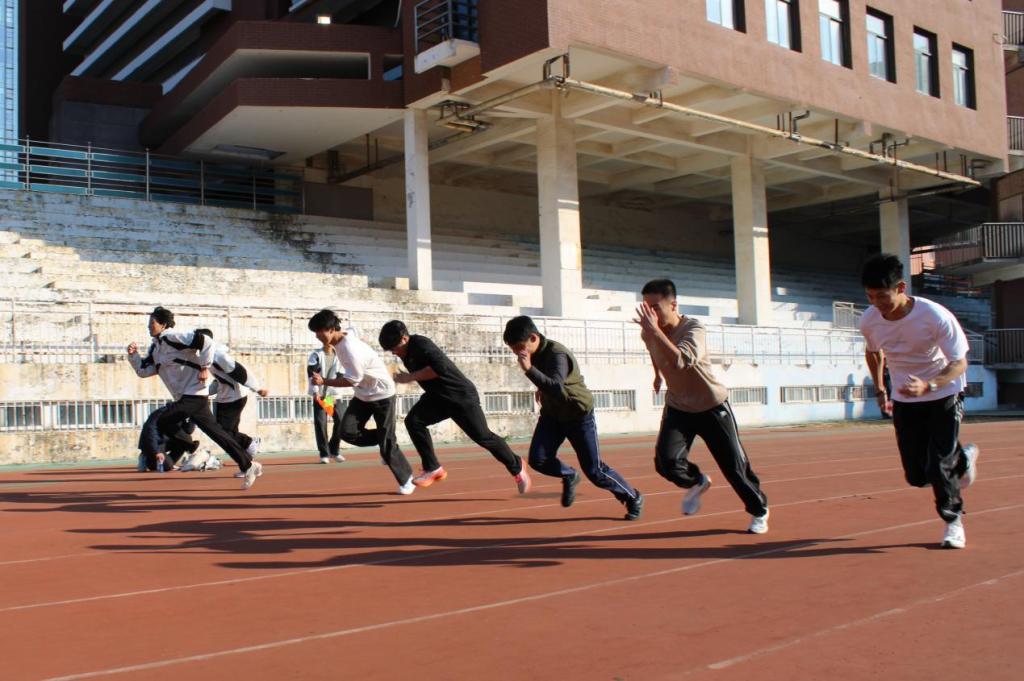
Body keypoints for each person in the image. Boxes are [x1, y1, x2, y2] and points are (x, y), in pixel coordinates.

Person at [860, 254, 979, 549]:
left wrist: (930, 384)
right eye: (870, 296)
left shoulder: (934, 316)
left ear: (901, 288)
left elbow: (960, 363)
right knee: (916, 475)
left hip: (944, 393)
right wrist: (880, 389)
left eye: (882, 296)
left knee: (939, 466)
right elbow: (873, 352)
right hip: (905, 398)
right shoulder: (870, 320)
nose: (876, 303)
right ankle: (963, 459)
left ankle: (953, 522)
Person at [634, 279, 770, 533]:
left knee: (734, 468)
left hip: (711, 406)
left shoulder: (694, 328)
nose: (650, 315)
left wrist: (654, 332)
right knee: (666, 462)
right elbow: (653, 350)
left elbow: (681, 361)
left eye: (655, 308)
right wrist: (657, 374)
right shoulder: (648, 332)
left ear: (673, 305)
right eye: (646, 308)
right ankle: (697, 481)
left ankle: (759, 510)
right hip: (678, 406)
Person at [502, 315, 643, 520]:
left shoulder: (557, 354)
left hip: (578, 415)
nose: (517, 353)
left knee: (594, 471)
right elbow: (550, 383)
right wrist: (540, 386)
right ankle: (569, 475)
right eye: (513, 349)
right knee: (539, 460)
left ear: (533, 338)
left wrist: (530, 370)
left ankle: (632, 497)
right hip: (553, 415)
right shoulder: (533, 353)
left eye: (519, 347)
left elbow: (557, 387)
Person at [379, 320, 531, 493]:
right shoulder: (405, 353)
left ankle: (517, 466)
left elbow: (439, 368)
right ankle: (433, 468)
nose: (394, 352)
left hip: (460, 397)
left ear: (405, 339)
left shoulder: (421, 344)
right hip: (438, 398)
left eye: (394, 348)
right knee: (414, 421)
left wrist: (410, 377)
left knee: (484, 437)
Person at [127, 306, 262, 489]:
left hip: (194, 394)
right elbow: (144, 371)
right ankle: (248, 465)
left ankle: (194, 450)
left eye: (152, 323)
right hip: (188, 397)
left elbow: (205, 340)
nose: (148, 326)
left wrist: (205, 367)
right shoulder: (156, 349)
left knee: (163, 421)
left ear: (163, 325)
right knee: (218, 434)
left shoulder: (171, 337)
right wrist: (134, 356)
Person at [307, 310, 415, 494]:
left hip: (382, 395)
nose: (317, 336)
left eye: (320, 332)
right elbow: (352, 330)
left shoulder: (350, 350)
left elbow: (352, 380)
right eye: (315, 332)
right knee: (347, 432)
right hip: (363, 395)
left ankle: (407, 480)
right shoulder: (342, 338)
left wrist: (324, 381)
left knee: (387, 444)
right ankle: (385, 440)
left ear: (332, 329)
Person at [195, 329, 269, 478]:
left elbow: (241, 372)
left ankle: (249, 444)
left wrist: (257, 388)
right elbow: (220, 380)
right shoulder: (206, 357)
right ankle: (248, 464)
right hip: (225, 397)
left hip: (234, 397)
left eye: (196, 341)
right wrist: (203, 392)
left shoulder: (218, 356)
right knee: (228, 433)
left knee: (224, 433)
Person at [307, 338, 346, 464]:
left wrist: (335, 395)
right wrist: (315, 392)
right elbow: (312, 376)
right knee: (321, 424)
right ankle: (324, 454)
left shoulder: (339, 357)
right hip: (320, 396)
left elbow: (340, 377)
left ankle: (334, 450)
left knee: (341, 420)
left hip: (331, 397)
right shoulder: (315, 355)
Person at [137, 404, 198, 472]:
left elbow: (188, 431)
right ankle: (145, 457)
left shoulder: (180, 414)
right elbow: (151, 433)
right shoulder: (160, 414)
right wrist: (156, 452)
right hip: (154, 443)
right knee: (166, 466)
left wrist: (193, 417)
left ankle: (162, 463)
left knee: (183, 443)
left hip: (166, 441)